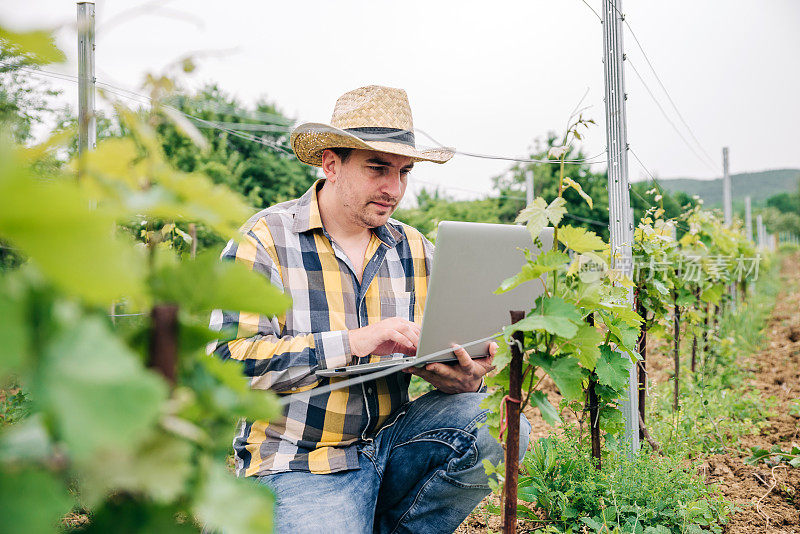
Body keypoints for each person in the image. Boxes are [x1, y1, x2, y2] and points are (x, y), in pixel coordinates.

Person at [211, 85, 530, 533]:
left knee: (495, 424)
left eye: (404, 172)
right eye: (378, 169)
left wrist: (463, 375)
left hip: (392, 441)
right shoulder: (264, 241)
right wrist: (354, 342)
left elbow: (443, 344)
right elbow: (227, 362)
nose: (393, 189)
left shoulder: (416, 248)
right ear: (331, 164)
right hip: (301, 459)